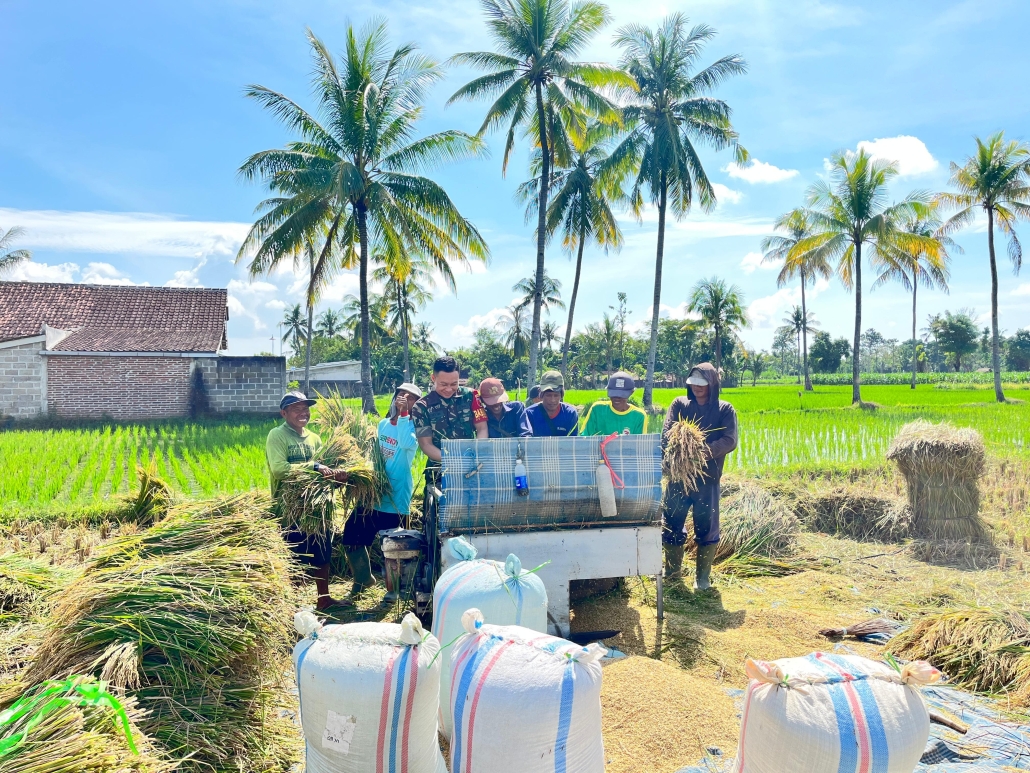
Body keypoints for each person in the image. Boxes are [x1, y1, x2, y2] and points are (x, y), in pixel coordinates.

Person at [266, 391, 348, 611]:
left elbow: (324, 474)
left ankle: (324, 599)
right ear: (284, 413)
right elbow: (279, 469)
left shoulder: (315, 438)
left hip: (316, 507)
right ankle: (291, 607)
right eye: (296, 409)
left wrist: (337, 478)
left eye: (305, 408)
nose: (303, 413)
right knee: (294, 557)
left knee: (322, 553)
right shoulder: (277, 435)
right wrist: (314, 466)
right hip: (290, 509)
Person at [660, 363, 738, 590]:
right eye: (693, 383)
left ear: (713, 384)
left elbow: (730, 440)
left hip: (707, 478)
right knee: (671, 522)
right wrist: (679, 451)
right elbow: (667, 433)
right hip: (678, 477)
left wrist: (700, 453)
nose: (697, 387)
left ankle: (702, 578)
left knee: (706, 525)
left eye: (702, 384)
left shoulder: (724, 409)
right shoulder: (679, 404)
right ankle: (672, 572)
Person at [341, 383, 422, 592]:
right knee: (352, 536)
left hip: (395, 497)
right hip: (374, 493)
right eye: (401, 395)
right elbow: (376, 455)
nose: (404, 399)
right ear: (394, 398)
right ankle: (363, 580)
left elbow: (405, 444)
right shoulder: (383, 424)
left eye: (411, 398)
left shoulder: (415, 428)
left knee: (395, 546)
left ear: (416, 405)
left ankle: (395, 592)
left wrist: (404, 414)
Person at [410, 356, 488, 468]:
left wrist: (475, 453)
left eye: (454, 384)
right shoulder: (421, 407)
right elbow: (426, 444)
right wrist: (454, 461)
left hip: (472, 464)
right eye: (444, 384)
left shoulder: (471, 396)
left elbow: (482, 428)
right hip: (440, 467)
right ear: (433, 378)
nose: (448, 389)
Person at [582, 371, 648, 436]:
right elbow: (584, 437)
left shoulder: (639, 416)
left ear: (631, 392)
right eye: (613, 394)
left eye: (621, 395)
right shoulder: (597, 409)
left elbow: (639, 441)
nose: (617, 398)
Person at [525, 370, 579, 436]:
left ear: (561, 395)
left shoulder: (570, 414)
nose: (552, 400)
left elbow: (573, 440)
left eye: (556, 395)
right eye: (548, 395)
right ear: (541, 394)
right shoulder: (529, 414)